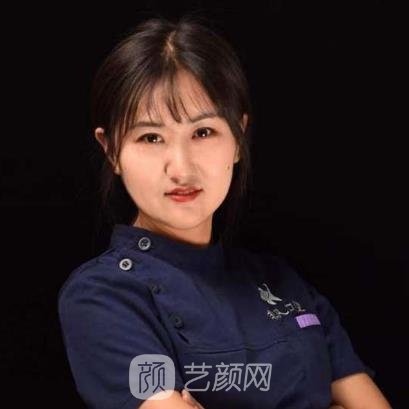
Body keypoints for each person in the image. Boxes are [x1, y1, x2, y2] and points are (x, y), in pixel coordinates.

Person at [57, 15, 392, 409]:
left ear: (238, 139)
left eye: (203, 133)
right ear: (112, 150)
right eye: (150, 137)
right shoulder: (105, 299)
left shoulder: (282, 283)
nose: (181, 168)